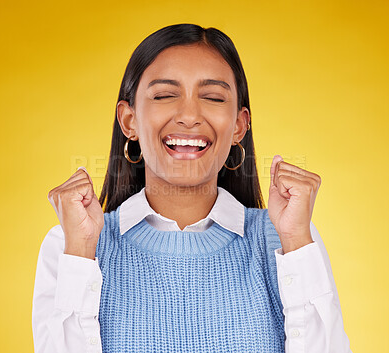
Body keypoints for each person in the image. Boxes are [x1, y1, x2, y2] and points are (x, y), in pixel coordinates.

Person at [32, 23, 352, 352]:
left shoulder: (286, 240)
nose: (189, 116)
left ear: (239, 126)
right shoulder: (70, 245)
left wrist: (298, 243)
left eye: (212, 97)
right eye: (165, 95)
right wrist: (82, 253)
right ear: (130, 121)